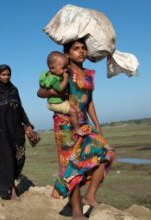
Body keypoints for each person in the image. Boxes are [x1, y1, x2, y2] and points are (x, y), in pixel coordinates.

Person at [37, 39, 115, 220]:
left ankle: (90, 195)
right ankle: (77, 213)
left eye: (83, 48)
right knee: (72, 169)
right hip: (65, 126)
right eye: (76, 49)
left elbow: (89, 102)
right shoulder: (63, 71)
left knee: (107, 154)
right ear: (67, 53)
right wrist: (53, 92)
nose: (81, 51)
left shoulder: (89, 74)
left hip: (84, 124)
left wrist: (98, 126)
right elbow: (40, 92)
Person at [0, 64, 36, 200]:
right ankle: (12, 189)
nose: (6, 77)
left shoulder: (14, 90)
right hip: (2, 131)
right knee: (8, 160)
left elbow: (20, 109)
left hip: (17, 130)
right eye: (3, 74)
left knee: (19, 159)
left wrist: (28, 124)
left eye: (8, 74)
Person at [39, 51, 83, 136]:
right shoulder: (53, 79)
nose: (65, 70)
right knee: (73, 111)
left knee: (75, 109)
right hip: (57, 103)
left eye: (66, 66)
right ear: (52, 68)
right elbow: (60, 88)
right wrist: (66, 78)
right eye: (63, 68)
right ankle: (77, 129)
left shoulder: (46, 75)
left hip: (54, 102)